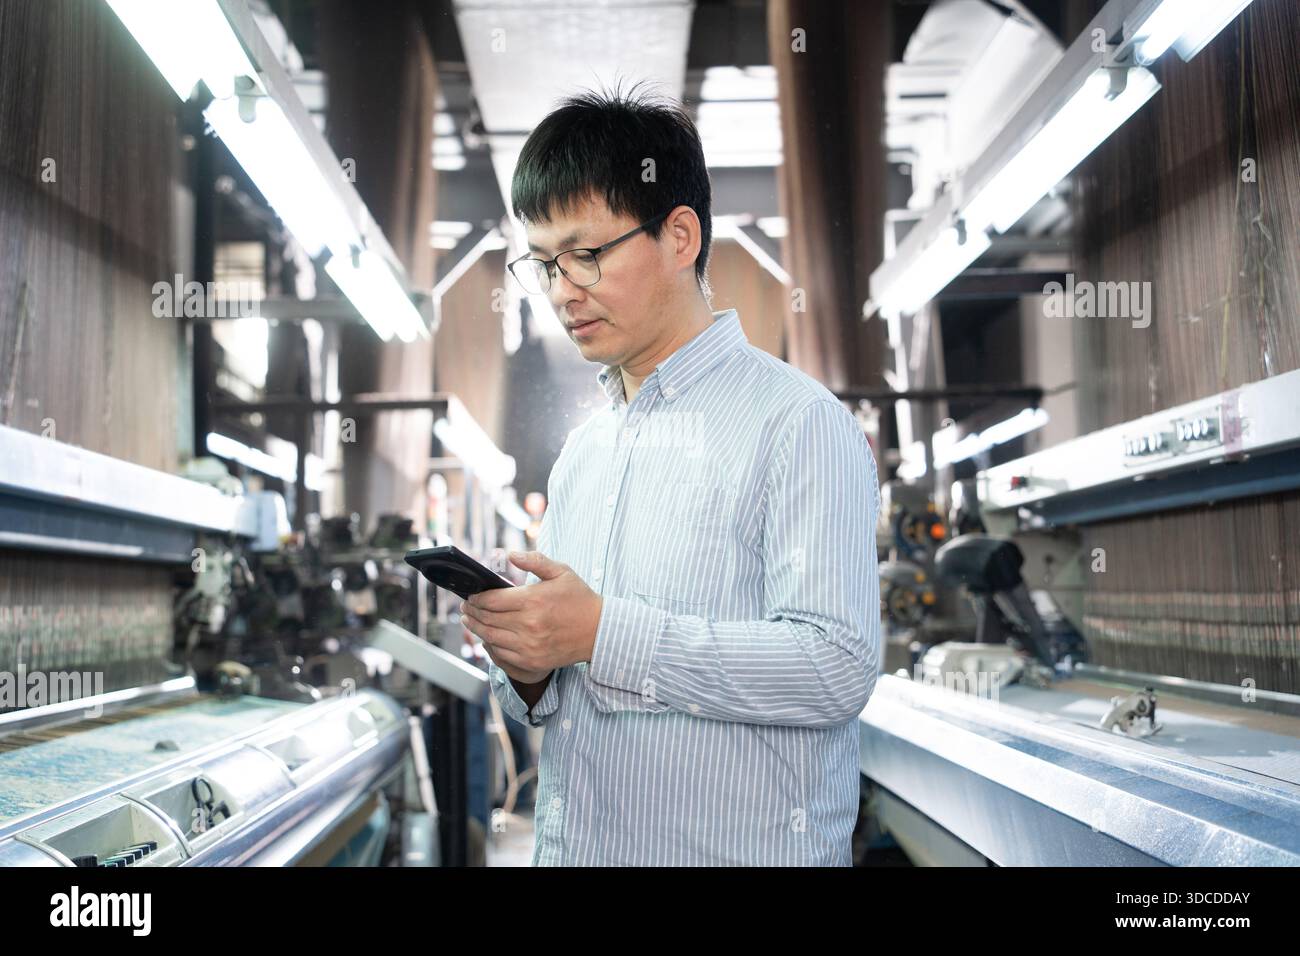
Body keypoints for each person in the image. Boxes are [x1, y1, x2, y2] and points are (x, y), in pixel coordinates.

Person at [460, 84, 880, 866]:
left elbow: (836, 668)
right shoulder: (585, 457)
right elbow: (552, 707)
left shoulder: (796, 425)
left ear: (680, 235)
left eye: (586, 255)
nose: (561, 291)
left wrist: (602, 632)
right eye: (544, 264)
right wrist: (527, 663)